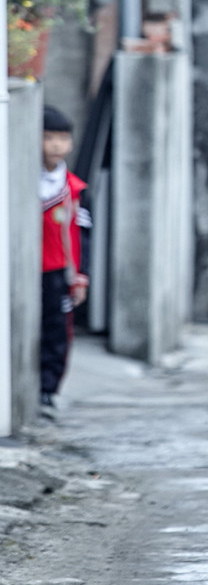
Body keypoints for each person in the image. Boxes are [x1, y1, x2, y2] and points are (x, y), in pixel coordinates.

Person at [39, 106, 91, 412]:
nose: (56, 145)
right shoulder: (20, 182)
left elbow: (81, 237)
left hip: (58, 272)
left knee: (57, 331)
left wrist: (79, 276)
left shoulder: (73, 189)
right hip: (28, 270)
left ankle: (48, 389)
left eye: (62, 138)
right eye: (48, 138)